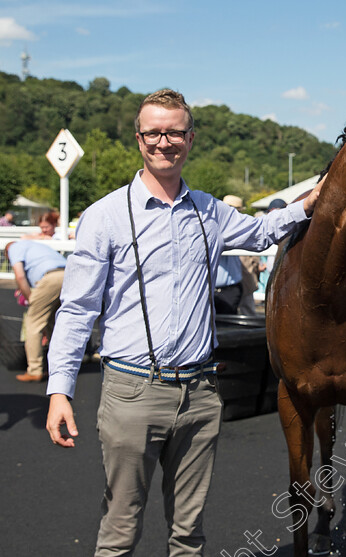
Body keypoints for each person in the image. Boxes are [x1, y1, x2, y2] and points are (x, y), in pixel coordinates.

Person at [45, 89, 321, 556]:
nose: (164, 142)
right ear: (139, 139)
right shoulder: (105, 216)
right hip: (132, 392)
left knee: (189, 536)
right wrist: (59, 390)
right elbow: (77, 310)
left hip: (199, 394)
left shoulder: (210, 212)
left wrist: (313, 200)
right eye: (153, 132)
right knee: (119, 532)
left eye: (174, 132)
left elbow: (261, 232)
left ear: (190, 139)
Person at [5, 240, 66, 382]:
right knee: (54, 323)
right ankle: (61, 367)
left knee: (33, 323)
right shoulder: (35, 246)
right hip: (67, 275)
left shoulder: (13, 248)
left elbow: (20, 276)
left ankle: (34, 370)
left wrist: (30, 299)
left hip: (50, 278)